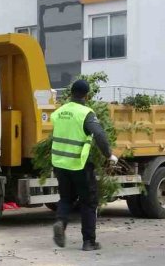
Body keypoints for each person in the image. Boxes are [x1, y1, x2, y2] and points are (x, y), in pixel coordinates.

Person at [50, 80, 118, 251]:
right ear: (87, 95)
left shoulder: (59, 112)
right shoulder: (86, 113)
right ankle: (89, 241)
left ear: (70, 93)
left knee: (66, 197)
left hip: (59, 162)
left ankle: (60, 221)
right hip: (79, 164)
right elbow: (99, 134)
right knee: (88, 201)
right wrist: (109, 155)